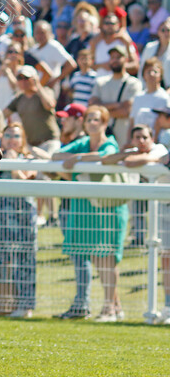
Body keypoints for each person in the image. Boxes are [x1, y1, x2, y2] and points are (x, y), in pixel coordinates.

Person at [52, 105, 127, 321]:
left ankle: (109, 309)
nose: (92, 123)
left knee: (106, 259)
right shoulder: (83, 143)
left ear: (105, 123)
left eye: (96, 119)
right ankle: (116, 307)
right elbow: (58, 154)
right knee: (97, 257)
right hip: (85, 209)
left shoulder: (109, 143)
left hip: (108, 209)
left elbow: (106, 157)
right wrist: (77, 158)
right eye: (89, 119)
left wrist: (77, 159)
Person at [0, 122, 44, 318]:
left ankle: (25, 305)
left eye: (17, 136)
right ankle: (3, 303)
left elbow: (24, 179)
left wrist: (13, 162)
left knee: (25, 261)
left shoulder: (29, 160)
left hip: (23, 216)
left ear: (23, 141)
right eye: (9, 135)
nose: (12, 139)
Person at [88, 46, 142, 147]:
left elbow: (126, 111)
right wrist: (118, 105)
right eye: (112, 57)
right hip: (103, 135)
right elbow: (93, 107)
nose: (115, 60)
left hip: (123, 135)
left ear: (126, 60)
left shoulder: (133, 83)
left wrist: (102, 110)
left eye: (118, 57)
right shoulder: (100, 82)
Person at [3, 66, 60, 153]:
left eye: (26, 78)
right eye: (19, 78)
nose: (23, 81)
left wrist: (38, 85)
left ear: (34, 79)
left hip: (49, 142)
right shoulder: (19, 98)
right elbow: (2, 115)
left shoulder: (45, 91)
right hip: (31, 145)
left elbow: (49, 105)